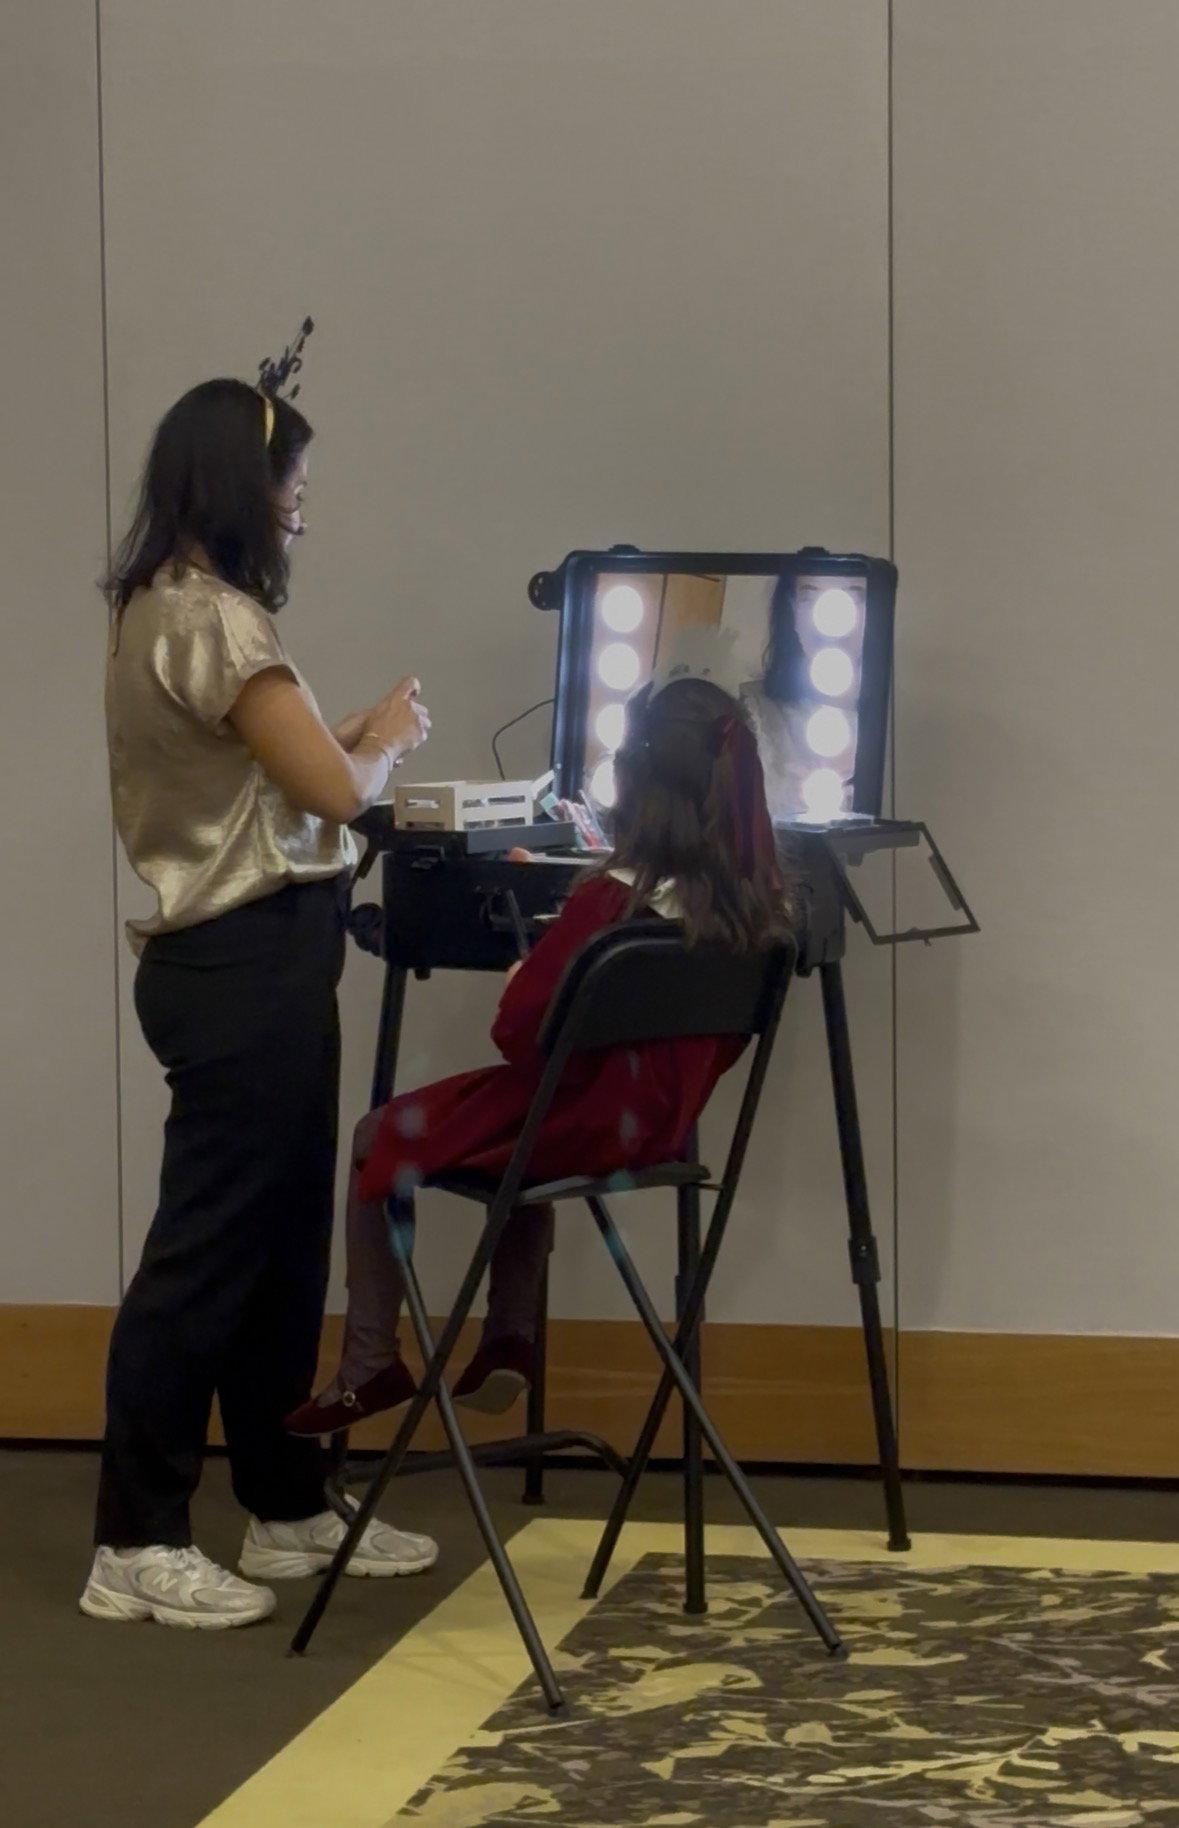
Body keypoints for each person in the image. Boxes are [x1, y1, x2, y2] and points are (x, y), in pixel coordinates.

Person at [83, 377, 437, 1631]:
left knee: (284, 1243)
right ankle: (136, 1533)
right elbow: (336, 795)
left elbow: (259, 782)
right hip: (240, 967)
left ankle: (285, 1502)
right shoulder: (217, 621)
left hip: (257, 959)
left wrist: (343, 743)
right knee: (209, 1251)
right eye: (294, 489)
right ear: (247, 486)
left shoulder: (158, 607)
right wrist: (388, 738)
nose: (300, 513)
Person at [288, 673, 790, 1437]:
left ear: (635, 782)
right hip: (659, 1131)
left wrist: (528, 971)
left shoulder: (607, 904)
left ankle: (368, 1363)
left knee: (375, 1137)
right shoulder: (755, 907)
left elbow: (520, 1033)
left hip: (574, 1123)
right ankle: (509, 1339)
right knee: (522, 1140)